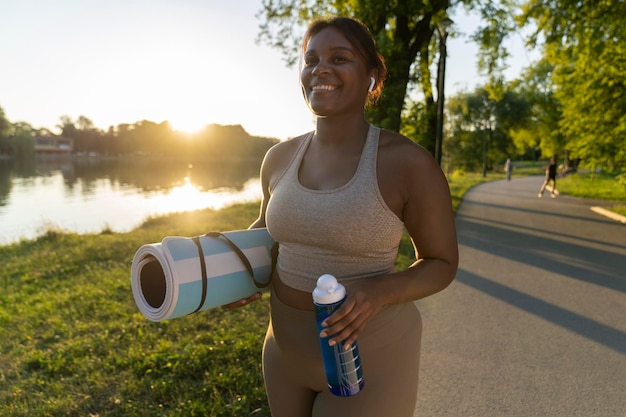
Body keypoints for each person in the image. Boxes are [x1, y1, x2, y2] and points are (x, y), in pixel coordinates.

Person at [227, 16, 458, 417]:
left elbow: (442, 263)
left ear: (371, 77)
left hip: (373, 358)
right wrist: (228, 262)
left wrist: (382, 291)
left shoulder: (408, 163)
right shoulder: (278, 157)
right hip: (284, 352)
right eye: (311, 58)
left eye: (340, 57)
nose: (321, 68)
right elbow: (267, 232)